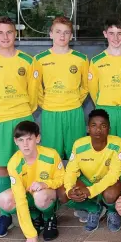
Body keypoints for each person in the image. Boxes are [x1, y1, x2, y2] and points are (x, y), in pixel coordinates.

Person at [0, 16, 39, 238]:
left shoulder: (28, 61)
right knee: (2, 167)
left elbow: (34, 94)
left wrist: (24, 112)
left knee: (28, 164)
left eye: (9, 32)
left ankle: (31, 208)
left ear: (16, 34)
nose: (5, 37)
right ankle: (5, 214)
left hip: (22, 118)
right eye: (0, 33)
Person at [0, 121, 64, 242]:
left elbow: (62, 178)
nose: (25, 144)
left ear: (38, 138)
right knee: (4, 199)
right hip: (27, 196)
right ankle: (35, 217)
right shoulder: (13, 163)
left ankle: (49, 217)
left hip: (46, 194)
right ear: (15, 141)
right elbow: (20, 198)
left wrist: (45, 184)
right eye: (21, 140)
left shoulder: (51, 155)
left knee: (40, 196)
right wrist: (30, 235)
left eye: (29, 139)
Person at [60, 109, 121, 232]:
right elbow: (70, 171)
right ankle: (94, 209)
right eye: (94, 125)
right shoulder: (79, 145)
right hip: (88, 179)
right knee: (63, 194)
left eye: (103, 126)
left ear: (109, 129)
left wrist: (91, 191)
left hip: (112, 182)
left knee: (110, 195)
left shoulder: (118, 143)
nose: (98, 130)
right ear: (88, 128)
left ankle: (112, 211)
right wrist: (69, 189)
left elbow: (113, 175)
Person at [35, 16, 89, 161]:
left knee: (77, 155)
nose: (62, 36)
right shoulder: (40, 59)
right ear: (51, 34)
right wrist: (44, 102)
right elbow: (36, 87)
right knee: (51, 156)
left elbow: (86, 86)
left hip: (74, 111)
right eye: (58, 31)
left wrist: (76, 100)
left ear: (71, 36)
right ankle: (51, 184)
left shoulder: (81, 59)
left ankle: (75, 184)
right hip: (50, 112)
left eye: (66, 32)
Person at [87, 18, 121, 158]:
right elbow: (93, 91)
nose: (115, 37)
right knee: (106, 151)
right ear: (105, 34)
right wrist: (103, 104)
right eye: (111, 33)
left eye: (119, 33)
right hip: (106, 110)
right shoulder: (96, 61)